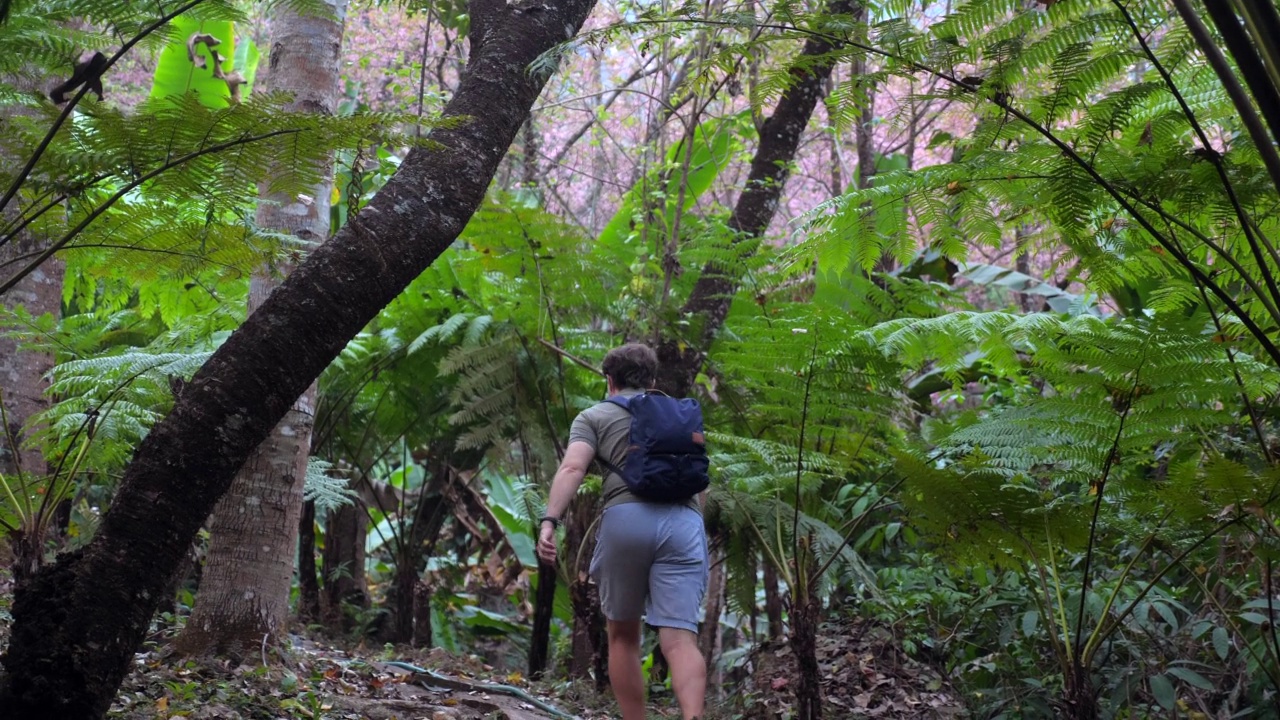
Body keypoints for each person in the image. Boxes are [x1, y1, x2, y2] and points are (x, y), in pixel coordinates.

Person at [536, 343, 708, 720]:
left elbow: (571, 470)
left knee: (623, 636)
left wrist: (550, 521)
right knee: (680, 641)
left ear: (609, 380)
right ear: (653, 379)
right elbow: (700, 482)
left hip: (625, 521)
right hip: (683, 522)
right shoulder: (681, 416)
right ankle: (694, 716)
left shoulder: (593, 416)